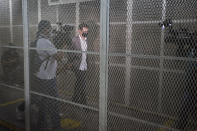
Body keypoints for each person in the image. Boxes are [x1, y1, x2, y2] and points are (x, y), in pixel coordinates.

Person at [70, 23, 89, 105]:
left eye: (87, 31)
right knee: (82, 84)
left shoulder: (86, 40)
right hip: (77, 66)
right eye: (84, 31)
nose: (86, 33)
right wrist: (71, 62)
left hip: (84, 65)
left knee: (79, 82)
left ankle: (74, 99)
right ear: (79, 31)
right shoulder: (74, 40)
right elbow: (70, 53)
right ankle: (84, 104)